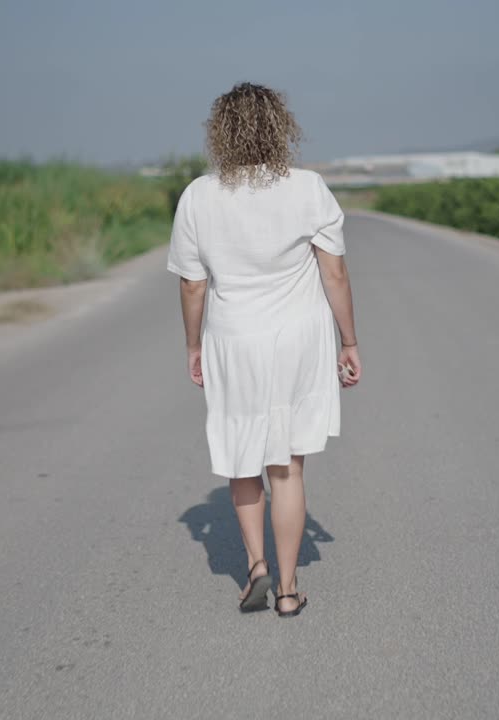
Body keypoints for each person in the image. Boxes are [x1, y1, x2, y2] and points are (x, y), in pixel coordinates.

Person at [167, 82, 361, 618]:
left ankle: (255, 566)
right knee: (288, 467)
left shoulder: (199, 196)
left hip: (233, 339)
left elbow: (192, 285)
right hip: (299, 339)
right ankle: (289, 590)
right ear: (280, 128)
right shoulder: (308, 188)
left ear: (220, 134)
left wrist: (192, 345)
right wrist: (349, 340)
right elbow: (335, 271)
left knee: (243, 457)